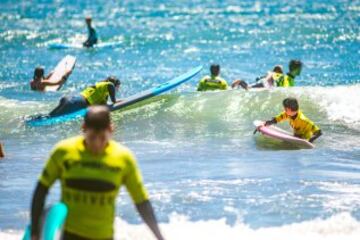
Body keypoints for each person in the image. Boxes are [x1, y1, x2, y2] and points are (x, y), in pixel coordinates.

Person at [30, 106, 165, 240]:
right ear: (83, 128)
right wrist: (35, 232)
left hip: (103, 236)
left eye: (102, 138)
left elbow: (141, 202)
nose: (96, 144)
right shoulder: (63, 152)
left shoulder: (124, 159)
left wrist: (159, 237)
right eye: (92, 137)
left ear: (111, 130)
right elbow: (41, 190)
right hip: (70, 235)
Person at [49, 76, 121, 117]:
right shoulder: (108, 84)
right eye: (118, 86)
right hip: (76, 102)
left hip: (72, 99)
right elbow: (110, 86)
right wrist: (114, 101)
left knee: (50, 116)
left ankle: (38, 119)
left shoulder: (102, 90)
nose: (118, 88)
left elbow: (102, 104)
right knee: (52, 117)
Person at [232, 60, 302, 90]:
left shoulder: (281, 75)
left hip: (266, 82)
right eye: (300, 69)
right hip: (267, 83)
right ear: (297, 69)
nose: (301, 71)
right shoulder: (288, 79)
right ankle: (241, 82)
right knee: (248, 88)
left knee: (248, 88)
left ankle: (241, 82)